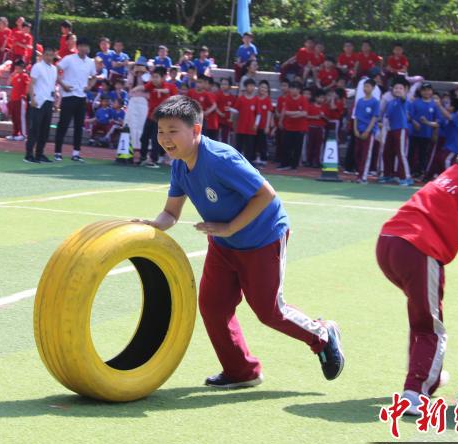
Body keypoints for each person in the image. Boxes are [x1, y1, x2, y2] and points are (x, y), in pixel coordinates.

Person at [135, 95, 345, 388]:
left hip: (264, 238)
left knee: (269, 311)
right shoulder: (179, 166)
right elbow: (171, 212)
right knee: (213, 305)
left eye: (173, 131)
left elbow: (266, 194)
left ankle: (322, 336)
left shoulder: (221, 159)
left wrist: (230, 227)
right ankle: (241, 371)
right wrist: (155, 225)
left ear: (195, 131)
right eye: (160, 131)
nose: (165, 139)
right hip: (223, 243)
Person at [377, 129, 458, 415]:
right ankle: (416, 392)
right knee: (430, 326)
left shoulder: (456, 174)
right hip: (419, 250)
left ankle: (428, 375)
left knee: (423, 316)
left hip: (389, 243)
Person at [54, 37, 96, 162]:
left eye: (86, 46)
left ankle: (76, 153)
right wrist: (62, 84)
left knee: (79, 126)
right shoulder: (69, 59)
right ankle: (57, 152)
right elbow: (55, 69)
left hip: (81, 97)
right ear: (77, 47)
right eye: (81, 46)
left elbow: (94, 77)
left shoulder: (90, 62)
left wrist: (89, 86)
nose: (84, 48)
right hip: (68, 96)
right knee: (63, 124)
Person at [132, 66, 178, 167]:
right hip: (150, 117)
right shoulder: (151, 85)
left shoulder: (169, 86)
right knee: (144, 137)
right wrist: (135, 89)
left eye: (156, 77)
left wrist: (160, 91)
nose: (154, 79)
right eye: (153, 77)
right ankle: (143, 157)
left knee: (155, 139)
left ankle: (154, 160)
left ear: (163, 77)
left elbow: (167, 91)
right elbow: (143, 87)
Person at [25, 47, 57, 163]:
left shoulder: (54, 69)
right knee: (34, 129)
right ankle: (29, 155)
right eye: (47, 55)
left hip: (49, 101)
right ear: (43, 55)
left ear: (54, 56)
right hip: (38, 101)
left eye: (51, 55)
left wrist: (54, 101)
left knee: (45, 131)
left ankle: (39, 154)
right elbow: (31, 83)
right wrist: (32, 98)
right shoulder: (37, 66)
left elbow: (52, 85)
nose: (49, 57)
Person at [379, 78, 413, 185]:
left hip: (401, 129)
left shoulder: (404, 100)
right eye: (396, 88)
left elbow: (403, 98)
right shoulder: (390, 103)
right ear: (392, 90)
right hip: (390, 130)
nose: (398, 90)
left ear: (405, 90)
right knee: (387, 152)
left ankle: (406, 177)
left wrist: (403, 94)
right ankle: (388, 175)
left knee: (401, 153)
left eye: (400, 88)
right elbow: (387, 117)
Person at [409, 82, 439, 178]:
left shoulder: (434, 105)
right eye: (424, 90)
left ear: (432, 92)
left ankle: (420, 172)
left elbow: (437, 122)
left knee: (423, 154)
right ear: (421, 92)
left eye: (428, 90)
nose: (426, 92)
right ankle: (410, 171)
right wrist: (414, 122)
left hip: (427, 134)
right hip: (414, 133)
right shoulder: (416, 102)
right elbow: (409, 116)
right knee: (411, 153)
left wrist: (427, 123)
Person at [353, 79, 380, 183]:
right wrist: (355, 129)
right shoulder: (359, 101)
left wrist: (368, 131)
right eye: (364, 86)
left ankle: (363, 177)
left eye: (368, 86)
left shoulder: (375, 102)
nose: (365, 89)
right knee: (358, 154)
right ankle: (358, 174)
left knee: (366, 154)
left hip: (368, 132)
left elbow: (374, 118)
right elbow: (356, 117)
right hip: (359, 130)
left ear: (373, 88)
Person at [278, 81, 308, 170]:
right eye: (291, 88)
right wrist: (298, 112)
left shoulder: (303, 99)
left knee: (297, 148)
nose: (291, 90)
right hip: (288, 126)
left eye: (293, 88)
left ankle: (294, 166)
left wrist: (292, 114)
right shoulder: (287, 98)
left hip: (299, 128)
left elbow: (305, 114)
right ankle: (284, 164)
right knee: (286, 146)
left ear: (298, 90)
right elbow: (286, 112)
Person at [125, 57, 150, 161]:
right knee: (130, 124)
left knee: (141, 125)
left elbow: (148, 85)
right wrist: (133, 73)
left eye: (141, 65)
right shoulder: (132, 75)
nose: (139, 67)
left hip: (144, 102)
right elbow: (128, 86)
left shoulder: (148, 76)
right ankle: (130, 149)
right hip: (133, 100)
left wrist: (143, 73)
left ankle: (142, 150)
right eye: (138, 65)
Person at [230, 78, 258, 164]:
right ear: (246, 87)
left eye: (253, 86)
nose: (251, 87)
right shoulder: (241, 99)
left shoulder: (256, 99)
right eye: (249, 86)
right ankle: (237, 163)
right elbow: (235, 111)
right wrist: (232, 120)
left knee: (249, 148)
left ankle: (248, 163)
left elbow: (258, 114)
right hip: (241, 127)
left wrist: (256, 124)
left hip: (251, 129)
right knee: (239, 146)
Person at [6, 60, 30, 142]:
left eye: (17, 66)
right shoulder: (15, 76)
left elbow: (28, 86)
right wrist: (13, 74)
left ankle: (24, 135)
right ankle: (15, 133)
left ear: (22, 67)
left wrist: (25, 95)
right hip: (14, 100)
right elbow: (8, 83)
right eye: (16, 67)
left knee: (21, 118)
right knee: (14, 118)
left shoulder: (25, 76)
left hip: (21, 100)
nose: (16, 68)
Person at [306, 89, 328, 169]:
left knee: (318, 146)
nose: (321, 100)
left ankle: (317, 161)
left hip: (320, 128)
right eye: (320, 98)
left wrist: (323, 116)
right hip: (311, 128)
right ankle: (309, 161)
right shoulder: (310, 106)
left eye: (323, 98)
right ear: (316, 98)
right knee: (310, 145)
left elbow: (328, 119)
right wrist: (315, 117)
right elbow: (306, 116)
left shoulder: (325, 107)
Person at [254, 80, 273, 168]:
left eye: (265, 87)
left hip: (263, 126)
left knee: (262, 143)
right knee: (255, 143)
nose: (263, 89)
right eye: (261, 87)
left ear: (267, 90)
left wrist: (267, 126)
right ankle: (255, 159)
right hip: (254, 126)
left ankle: (263, 159)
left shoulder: (268, 100)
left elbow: (269, 113)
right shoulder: (255, 99)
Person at [216, 77, 236, 145]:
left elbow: (233, 110)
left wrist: (231, 118)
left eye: (225, 84)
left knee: (225, 139)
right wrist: (220, 113)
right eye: (222, 84)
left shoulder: (232, 97)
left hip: (227, 123)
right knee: (217, 139)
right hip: (218, 121)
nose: (223, 85)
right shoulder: (218, 95)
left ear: (229, 86)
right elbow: (215, 106)